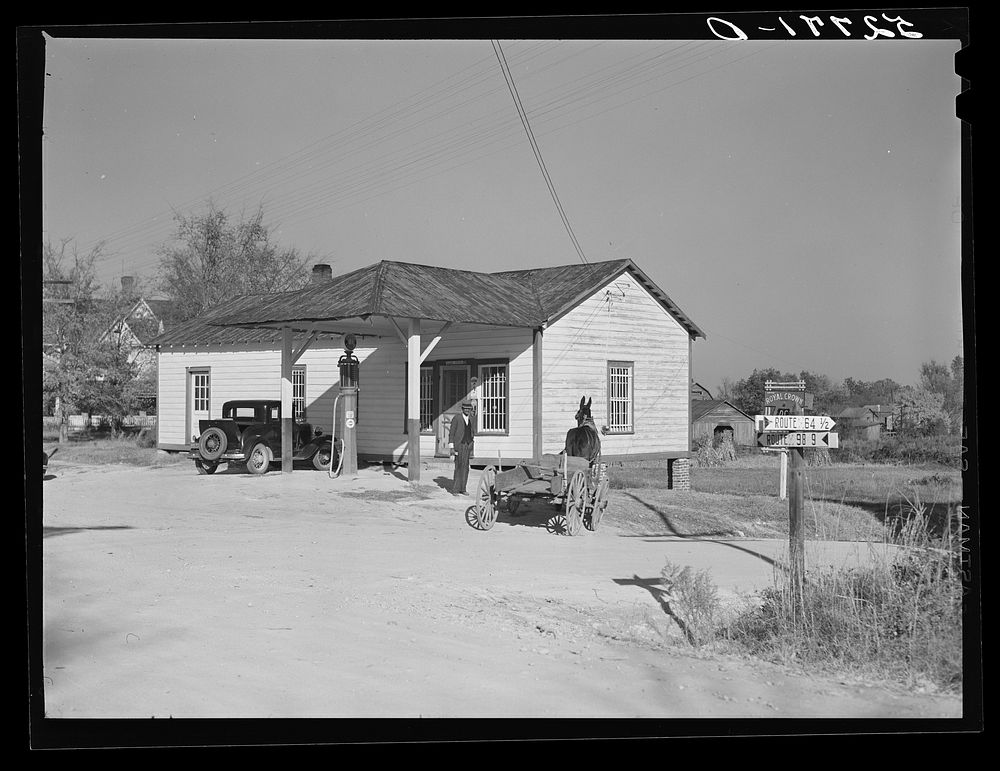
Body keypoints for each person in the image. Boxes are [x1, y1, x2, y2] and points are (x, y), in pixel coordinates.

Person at [448, 401, 476, 495]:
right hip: (458, 446)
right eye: (465, 409)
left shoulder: (471, 419)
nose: (467, 410)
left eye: (469, 409)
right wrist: (452, 447)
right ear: (462, 409)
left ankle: (463, 489)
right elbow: (451, 433)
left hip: (467, 446)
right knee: (458, 467)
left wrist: (472, 442)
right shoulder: (457, 418)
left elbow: (472, 432)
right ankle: (455, 489)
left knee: (465, 467)